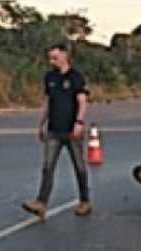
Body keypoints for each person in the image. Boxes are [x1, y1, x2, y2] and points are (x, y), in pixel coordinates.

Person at [22, 44, 91, 219]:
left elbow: (82, 101)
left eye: (55, 57)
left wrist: (79, 123)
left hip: (71, 130)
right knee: (48, 167)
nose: (52, 61)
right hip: (54, 130)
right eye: (50, 58)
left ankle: (84, 201)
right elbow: (47, 102)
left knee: (79, 167)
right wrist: (41, 123)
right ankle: (41, 203)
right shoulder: (50, 77)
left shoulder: (75, 77)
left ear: (65, 56)